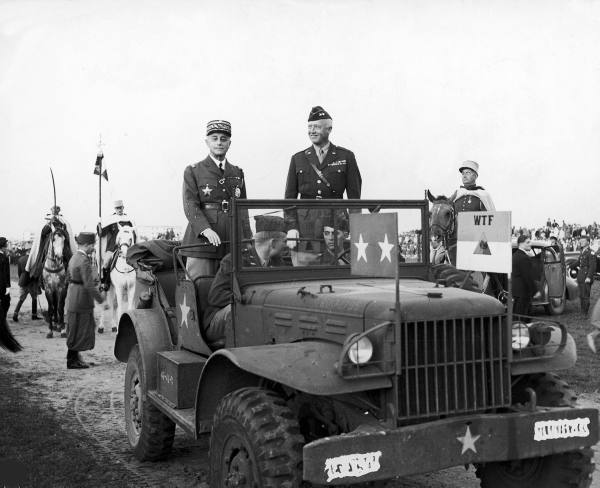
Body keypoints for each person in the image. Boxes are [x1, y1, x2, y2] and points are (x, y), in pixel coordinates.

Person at [284, 106, 362, 252]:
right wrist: (291, 227)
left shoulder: (346, 157)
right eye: (310, 127)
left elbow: (354, 199)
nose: (312, 131)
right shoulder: (298, 159)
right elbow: (289, 198)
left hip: (336, 223)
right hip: (305, 226)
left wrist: (356, 228)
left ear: (329, 129)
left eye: (317, 127)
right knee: (305, 266)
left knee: (335, 266)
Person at [182, 120, 250, 280]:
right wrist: (205, 229)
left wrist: (247, 237)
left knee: (231, 289)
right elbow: (190, 204)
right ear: (207, 141)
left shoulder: (237, 172)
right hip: (202, 242)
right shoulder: (194, 170)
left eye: (223, 139)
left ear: (229, 143)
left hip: (231, 240)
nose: (219, 142)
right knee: (199, 286)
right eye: (214, 138)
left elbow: (243, 208)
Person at [203, 216, 289, 344]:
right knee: (242, 310)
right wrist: (248, 299)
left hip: (260, 316)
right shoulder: (234, 261)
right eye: (285, 241)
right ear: (273, 243)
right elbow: (215, 296)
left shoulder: (278, 262)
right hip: (223, 317)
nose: (286, 245)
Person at [65, 232, 105, 369]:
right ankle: (72, 361)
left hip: (73, 296)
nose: (93, 247)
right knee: (80, 329)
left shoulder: (74, 257)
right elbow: (89, 284)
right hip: (81, 299)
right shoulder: (84, 260)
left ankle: (75, 357)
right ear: (86, 245)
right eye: (92, 245)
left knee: (74, 329)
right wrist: (101, 300)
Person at [26, 205, 77, 282]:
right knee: (42, 254)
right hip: (48, 240)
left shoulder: (63, 221)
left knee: (68, 254)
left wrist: (60, 226)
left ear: (59, 210)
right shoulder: (47, 219)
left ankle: (71, 274)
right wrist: (49, 224)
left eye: (57, 209)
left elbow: (67, 234)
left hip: (61, 241)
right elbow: (42, 233)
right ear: (51, 210)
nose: (55, 210)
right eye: (53, 209)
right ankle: (39, 276)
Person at [99, 199, 137, 287]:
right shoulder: (111, 220)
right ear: (115, 209)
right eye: (117, 208)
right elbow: (103, 233)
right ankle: (105, 282)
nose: (119, 210)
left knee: (136, 261)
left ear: (123, 208)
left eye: (120, 208)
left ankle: (136, 280)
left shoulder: (128, 220)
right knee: (106, 262)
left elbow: (133, 233)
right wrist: (100, 226)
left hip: (127, 245)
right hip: (113, 246)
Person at [512, 235, 541, 317]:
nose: (530, 244)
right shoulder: (524, 258)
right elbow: (528, 277)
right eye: (527, 242)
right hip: (523, 293)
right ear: (520, 244)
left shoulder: (515, 255)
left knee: (517, 316)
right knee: (523, 318)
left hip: (516, 292)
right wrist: (535, 291)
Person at [12, 252, 41, 322]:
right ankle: (34, 315)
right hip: (32, 281)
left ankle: (15, 314)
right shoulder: (34, 259)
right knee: (34, 298)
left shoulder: (21, 259)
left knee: (21, 299)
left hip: (23, 280)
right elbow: (37, 271)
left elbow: (19, 272)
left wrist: (21, 279)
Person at [576, 234, 596, 315]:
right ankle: (582, 311)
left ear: (588, 242)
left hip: (586, 276)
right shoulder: (582, 251)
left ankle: (585, 312)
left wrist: (589, 277)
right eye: (580, 241)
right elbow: (578, 262)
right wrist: (569, 265)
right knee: (581, 295)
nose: (581, 242)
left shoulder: (591, 252)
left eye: (583, 241)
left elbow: (592, 266)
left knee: (585, 295)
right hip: (581, 276)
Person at [0, 238, 10, 322]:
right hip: (2, 285)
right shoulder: (4, 258)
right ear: (2, 247)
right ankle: (3, 320)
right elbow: (6, 274)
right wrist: (8, 286)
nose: (7, 247)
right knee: (6, 302)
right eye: (6, 245)